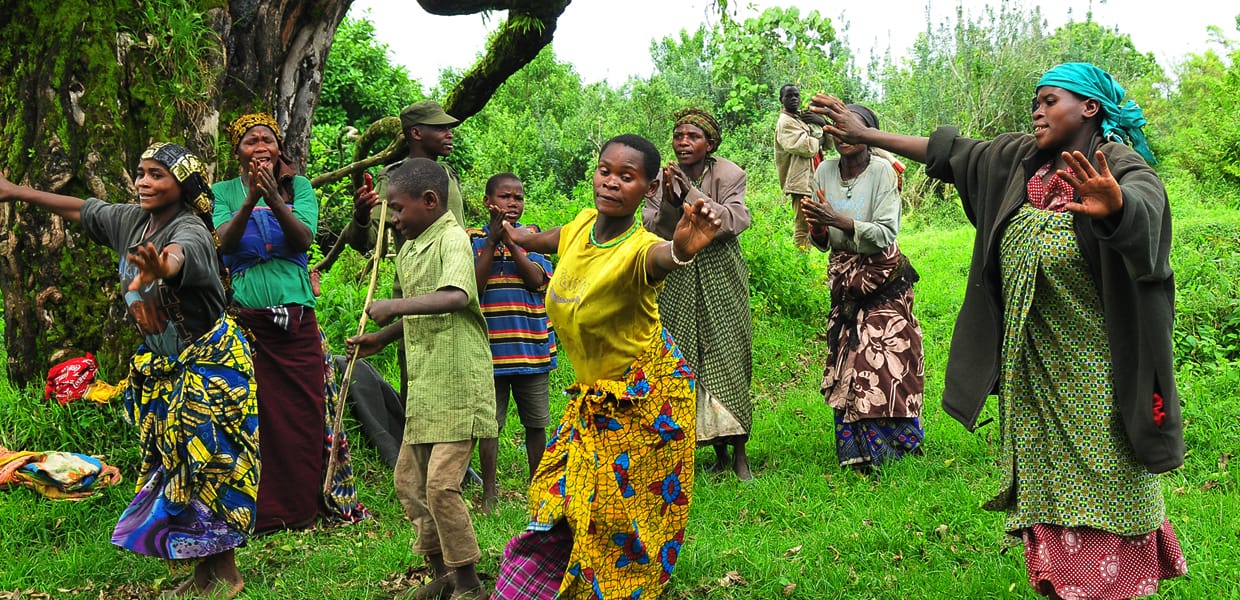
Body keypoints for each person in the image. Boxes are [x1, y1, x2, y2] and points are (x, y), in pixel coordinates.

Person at [811, 62, 1187, 598]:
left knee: (1107, 481)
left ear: (1090, 107)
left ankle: (1114, 587)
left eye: (1050, 100)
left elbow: (1148, 217)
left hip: (1098, 371)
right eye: (1034, 100)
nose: (1036, 109)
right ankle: (1064, 585)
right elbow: (950, 153)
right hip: (1030, 372)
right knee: (1049, 494)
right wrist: (865, 133)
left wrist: (1118, 209)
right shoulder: (1018, 162)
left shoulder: (1121, 169)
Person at [0, 143, 257, 598]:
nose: (143, 182)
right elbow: (81, 207)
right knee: (176, 465)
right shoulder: (133, 221)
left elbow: (179, 256)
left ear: (182, 184)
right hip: (165, 367)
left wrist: (162, 266)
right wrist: (15, 191)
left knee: (209, 466)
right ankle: (202, 572)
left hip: (211, 365)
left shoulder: (189, 230)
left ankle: (228, 575)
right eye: (141, 173)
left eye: (157, 174)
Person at [490, 134, 722, 599]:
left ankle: (614, 587)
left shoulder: (640, 249)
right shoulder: (578, 228)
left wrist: (680, 249)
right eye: (605, 171)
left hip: (645, 400)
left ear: (649, 189)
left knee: (619, 515)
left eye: (627, 176)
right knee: (556, 495)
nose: (611, 183)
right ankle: (541, 583)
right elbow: (536, 238)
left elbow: (663, 259)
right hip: (593, 399)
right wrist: (507, 232)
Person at [346, 157, 497, 600]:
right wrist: (384, 336)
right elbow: (418, 309)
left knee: (441, 486)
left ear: (430, 202)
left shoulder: (452, 238)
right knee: (409, 484)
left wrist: (393, 309)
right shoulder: (411, 246)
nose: (392, 218)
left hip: (459, 383)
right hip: (428, 386)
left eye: (397, 208)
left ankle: (469, 583)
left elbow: (455, 295)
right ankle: (443, 575)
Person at [213, 113, 368, 533]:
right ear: (237, 151)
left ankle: (302, 510)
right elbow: (224, 244)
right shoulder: (221, 192)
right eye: (250, 141)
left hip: (297, 320)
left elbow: (302, 240)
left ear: (279, 148)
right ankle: (264, 511)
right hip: (250, 323)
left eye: (267, 139)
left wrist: (273, 197)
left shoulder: (298, 187)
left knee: (303, 411)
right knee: (260, 414)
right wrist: (249, 199)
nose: (260, 146)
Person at [344, 100, 483, 489]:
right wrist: (359, 216)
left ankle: (455, 466)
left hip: (455, 286)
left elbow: (459, 238)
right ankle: (425, 465)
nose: (449, 133)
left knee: (459, 377)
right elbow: (367, 241)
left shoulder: (447, 176)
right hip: (416, 288)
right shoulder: (394, 181)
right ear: (416, 133)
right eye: (440, 128)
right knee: (418, 376)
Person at [800, 103, 925, 473]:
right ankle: (857, 452)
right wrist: (821, 229)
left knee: (885, 358)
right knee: (848, 357)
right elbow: (823, 238)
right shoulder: (823, 170)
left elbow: (885, 234)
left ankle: (898, 448)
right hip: (843, 275)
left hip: (882, 275)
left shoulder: (883, 172)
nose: (841, 136)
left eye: (848, 129)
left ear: (866, 133)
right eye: (834, 130)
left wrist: (839, 219)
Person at [643, 108, 755, 480]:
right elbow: (652, 228)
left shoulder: (729, 173)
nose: (683, 143)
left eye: (692, 137)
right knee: (683, 357)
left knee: (727, 355)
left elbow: (733, 221)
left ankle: (738, 457)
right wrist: (672, 204)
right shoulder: (660, 179)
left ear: (710, 143)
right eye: (678, 136)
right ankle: (701, 454)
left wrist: (689, 193)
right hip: (678, 273)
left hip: (721, 274)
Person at [468, 173, 557, 513]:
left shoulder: (534, 237)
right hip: (489, 352)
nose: (513, 203)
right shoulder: (474, 240)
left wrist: (514, 242)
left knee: (536, 423)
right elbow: (474, 287)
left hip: (531, 347)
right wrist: (493, 241)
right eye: (505, 197)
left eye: (518, 197)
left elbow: (537, 280)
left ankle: (538, 488)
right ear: (488, 201)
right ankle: (490, 492)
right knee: (491, 425)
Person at [774, 83, 825, 249]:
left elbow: (827, 141)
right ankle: (801, 263)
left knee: (819, 219)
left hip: (814, 177)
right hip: (800, 181)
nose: (794, 99)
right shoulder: (785, 122)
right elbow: (806, 147)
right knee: (803, 224)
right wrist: (821, 136)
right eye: (789, 96)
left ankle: (806, 258)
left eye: (796, 95)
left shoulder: (800, 118)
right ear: (781, 100)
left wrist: (821, 122)